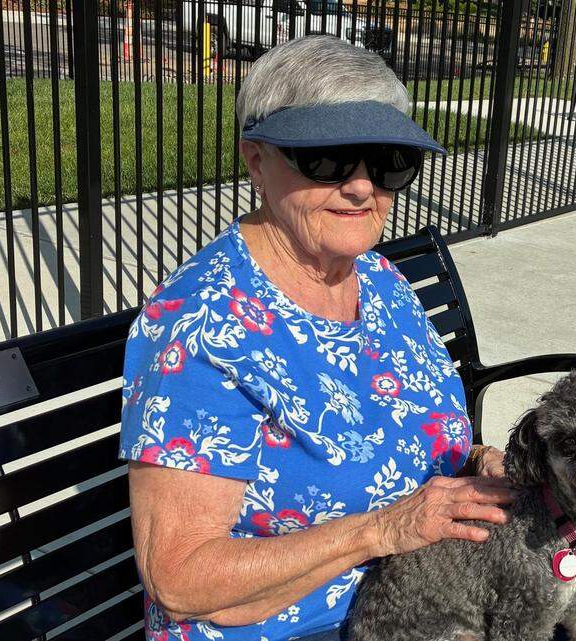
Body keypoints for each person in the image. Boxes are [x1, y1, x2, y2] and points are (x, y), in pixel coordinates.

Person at [119, 35, 513, 641]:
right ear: (255, 159)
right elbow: (180, 579)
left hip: (427, 600)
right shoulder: (203, 326)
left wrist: (477, 468)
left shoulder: (382, 283)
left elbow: (411, 430)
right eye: (327, 159)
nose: (361, 187)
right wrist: (381, 530)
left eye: (387, 161)